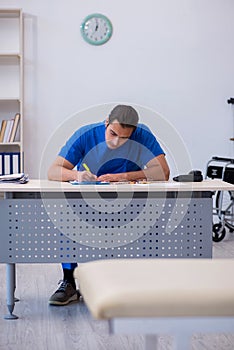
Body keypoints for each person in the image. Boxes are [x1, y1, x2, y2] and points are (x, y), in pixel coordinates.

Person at [47, 104, 170, 305]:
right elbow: (53, 171)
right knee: (66, 217)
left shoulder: (143, 135)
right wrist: (77, 175)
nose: (115, 142)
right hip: (86, 203)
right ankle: (69, 282)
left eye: (124, 138)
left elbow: (163, 172)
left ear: (133, 133)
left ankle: (136, 280)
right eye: (112, 133)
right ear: (106, 123)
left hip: (129, 204)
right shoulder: (85, 134)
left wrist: (124, 176)